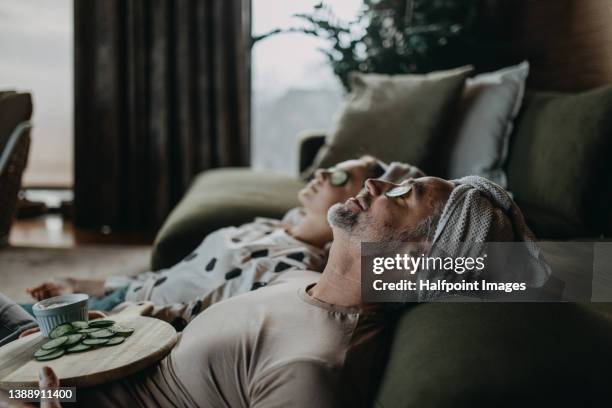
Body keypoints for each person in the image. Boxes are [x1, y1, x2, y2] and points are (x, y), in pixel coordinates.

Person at [1, 174, 549, 407]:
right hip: (73, 367)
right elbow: (197, 330)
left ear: (410, 257)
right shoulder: (300, 280)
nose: (377, 183)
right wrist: (127, 319)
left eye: (401, 195)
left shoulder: (312, 365)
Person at [24, 156, 393, 325]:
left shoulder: (291, 266)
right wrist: (82, 285)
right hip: (122, 297)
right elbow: (174, 276)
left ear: (357, 200)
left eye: (341, 175)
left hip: (129, 323)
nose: (323, 172)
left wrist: (107, 317)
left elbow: (204, 315)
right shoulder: (271, 226)